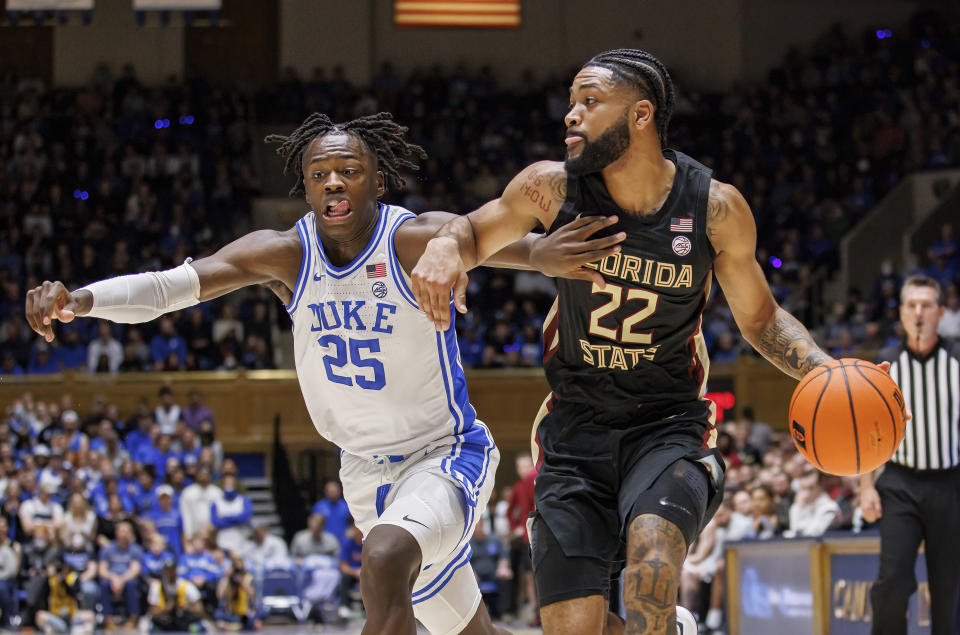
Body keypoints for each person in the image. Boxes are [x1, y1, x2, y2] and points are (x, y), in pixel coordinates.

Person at [24, 110, 610, 635]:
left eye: (349, 170)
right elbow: (171, 288)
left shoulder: (409, 239)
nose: (334, 181)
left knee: (382, 559)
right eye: (320, 173)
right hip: (362, 472)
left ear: (377, 181)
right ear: (305, 187)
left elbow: (499, 241)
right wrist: (79, 299)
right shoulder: (286, 253)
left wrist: (539, 255)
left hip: (444, 455)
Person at [412, 48, 840, 634]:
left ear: (641, 115)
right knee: (578, 626)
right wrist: (446, 246)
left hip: (668, 423)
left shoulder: (714, 208)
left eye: (590, 102)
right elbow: (474, 229)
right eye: (570, 103)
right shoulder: (551, 188)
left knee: (653, 565)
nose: (571, 115)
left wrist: (823, 368)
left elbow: (761, 319)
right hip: (574, 426)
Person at [860, 275, 960, 635]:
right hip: (900, 483)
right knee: (892, 581)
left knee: (949, 586)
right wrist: (866, 487)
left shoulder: (957, 359)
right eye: (912, 305)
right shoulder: (885, 364)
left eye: (927, 305)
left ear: (941, 313)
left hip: (950, 483)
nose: (919, 312)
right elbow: (866, 433)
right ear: (901, 313)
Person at [144, 556, 207, 632]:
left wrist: (185, 607)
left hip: (183, 618)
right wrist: (167, 608)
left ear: (176, 570)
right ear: (164, 571)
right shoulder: (157, 586)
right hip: (164, 619)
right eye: (168, 571)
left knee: (198, 626)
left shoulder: (186, 585)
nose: (170, 573)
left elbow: (199, 609)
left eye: (172, 570)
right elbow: (153, 610)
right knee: (151, 626)